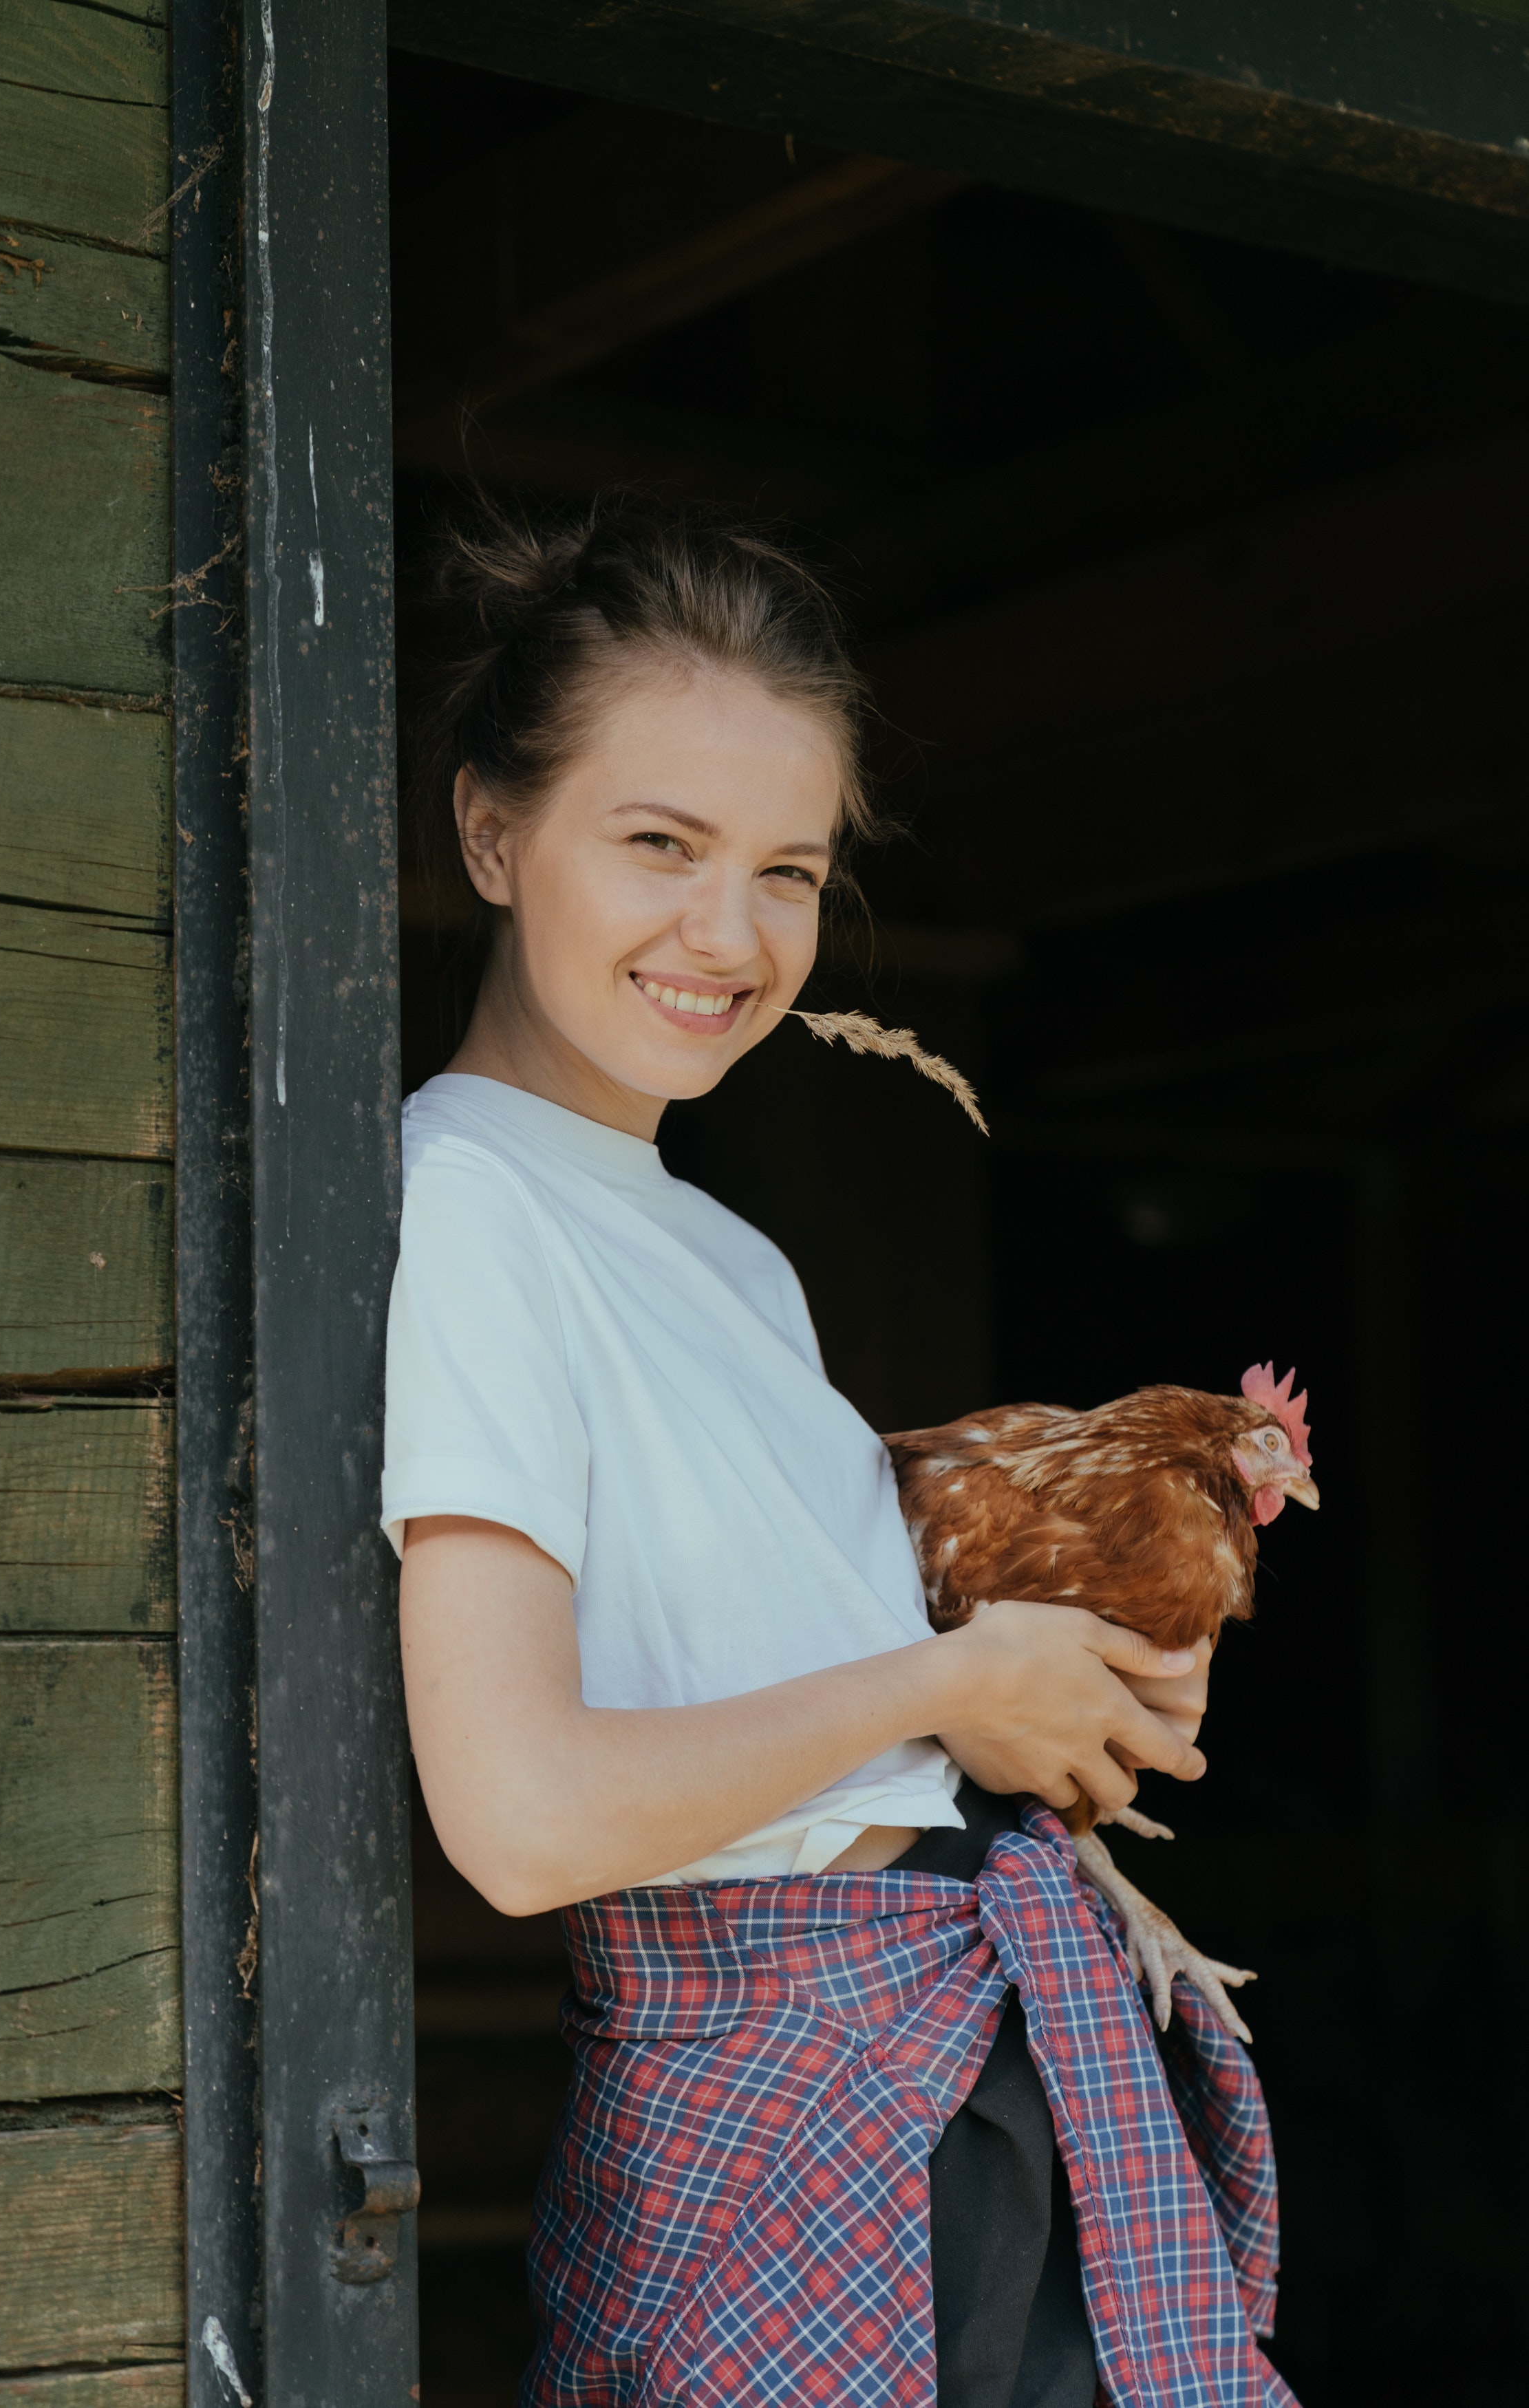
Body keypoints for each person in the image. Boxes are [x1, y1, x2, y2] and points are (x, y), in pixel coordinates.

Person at [385, 499, 1294, 2408]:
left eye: (786, 871)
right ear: (491, 828)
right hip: (791, 2107)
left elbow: (848, 1682)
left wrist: (1085, 1680)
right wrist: (954, 1682)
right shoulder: (468, 1205)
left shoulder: (722, 1251)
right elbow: (522, 1814)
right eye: (658, 844)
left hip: (954, 2063)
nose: (729, 934)